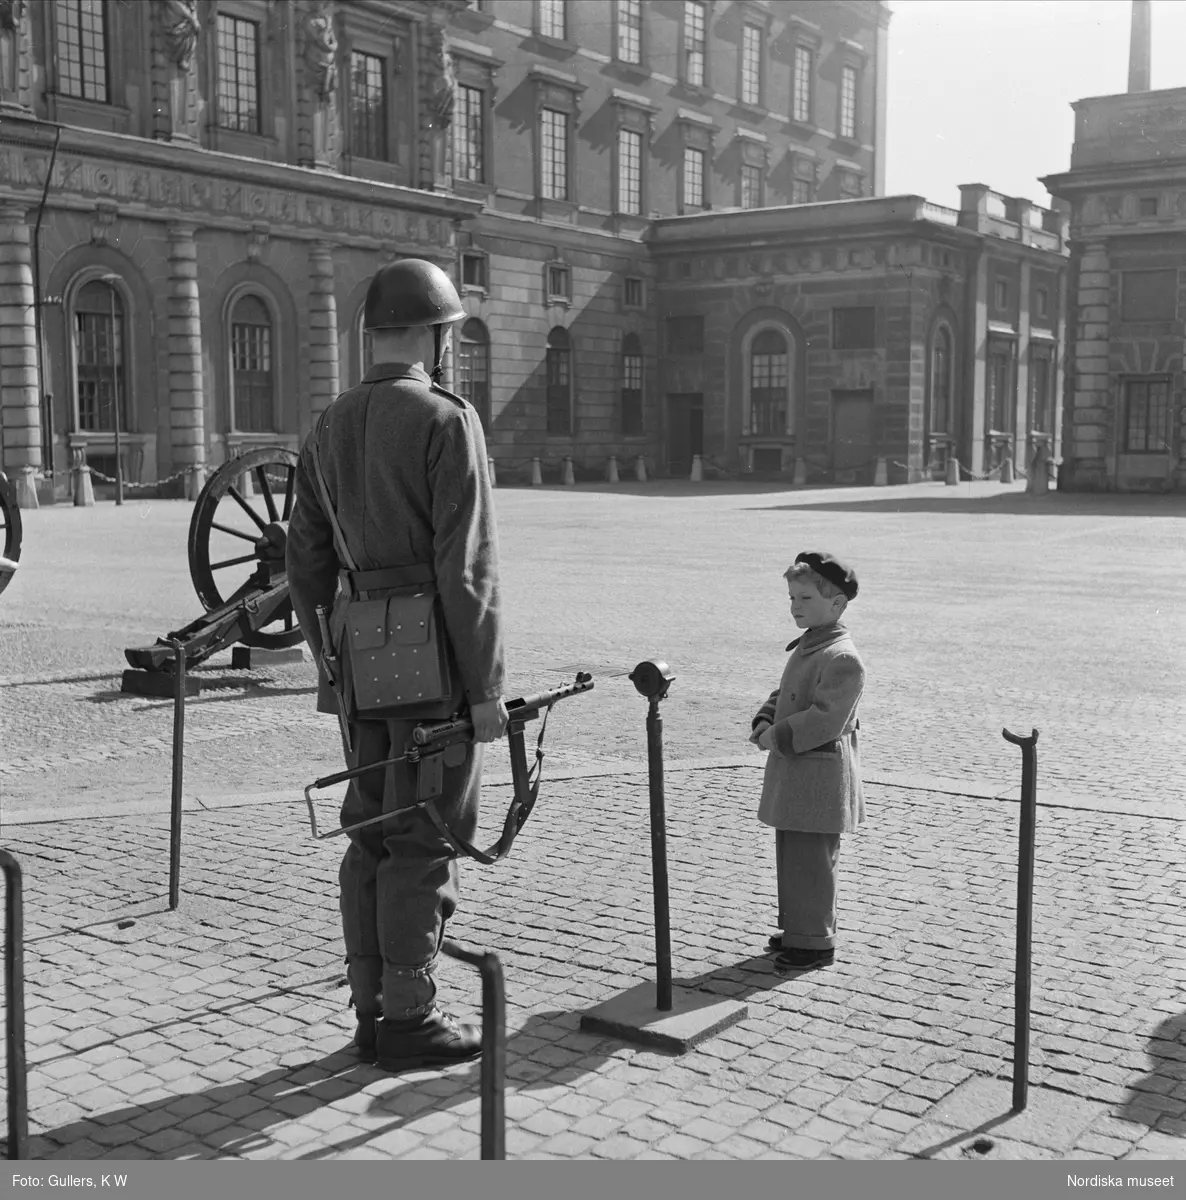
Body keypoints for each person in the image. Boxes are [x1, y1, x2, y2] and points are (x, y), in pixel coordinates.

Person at [286, 258, 507, 1071]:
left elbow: (303, 565)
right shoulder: (448, 419)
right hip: (437, 667)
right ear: (437, 335)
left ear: (373, 333)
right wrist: (483, 689)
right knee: (425, 835)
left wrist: (331, 662)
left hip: (358, 662)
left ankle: (371, 1011)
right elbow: (468, 570)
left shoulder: (330, 423)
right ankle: (411, 1020)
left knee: (371, 834)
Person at [749, 551, 865, 972]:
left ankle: (815, 942)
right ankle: (799, 929)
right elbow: (787, 692)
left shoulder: (841, 658)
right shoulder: (811, 645)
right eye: (792, 598)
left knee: (813, 862)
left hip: (817, 777)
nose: (795, 606)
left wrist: (775, 737)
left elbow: (825, 719)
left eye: (805, 599)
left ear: (835, 605)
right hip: (798, 772)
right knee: (793, 857)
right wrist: (765, 716)